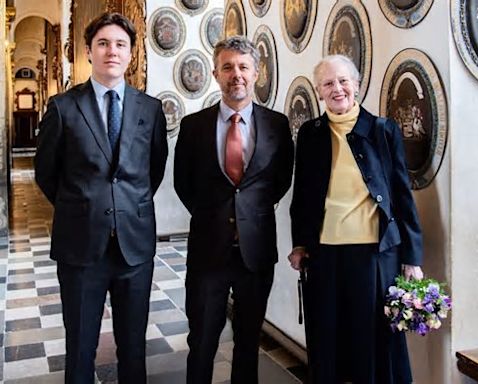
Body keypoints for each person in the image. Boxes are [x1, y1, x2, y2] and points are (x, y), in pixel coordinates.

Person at [34, 12, 168, 384]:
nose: (112, 51)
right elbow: (46, 173)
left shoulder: (149, 108)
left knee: (133, 347)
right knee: (79, 347)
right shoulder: (63, 107)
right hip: (80, 247)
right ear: (89, 51)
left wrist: (125, 207)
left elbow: (153, 170)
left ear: (131, 54)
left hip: (134, 246)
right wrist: (84, 208)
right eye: (103, 44)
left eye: (120, 45)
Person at [288, 54, 424, 384]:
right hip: (325, 254)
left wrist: (412, 256)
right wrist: (300, 243)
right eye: (329, 83)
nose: (337, 89)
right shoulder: (310, 133)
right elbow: (302, 195)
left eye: (343, 81)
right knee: (328, 337)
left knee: (374, 339)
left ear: (357, 85)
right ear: (319, 91)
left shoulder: (383, 130)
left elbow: (401, 195)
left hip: (375, 254)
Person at [174, 35, 294, 384]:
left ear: (256, 73)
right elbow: (185, 183)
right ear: (215, 74)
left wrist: (249, 214)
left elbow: (280, 180)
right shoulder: (193, 127)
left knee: (247, 343)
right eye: (227, 67)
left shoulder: (277, 125)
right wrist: (215, 216)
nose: (236, 74)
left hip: (255, 255)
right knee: (201, 342)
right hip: (207, 252)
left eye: (243, 67)